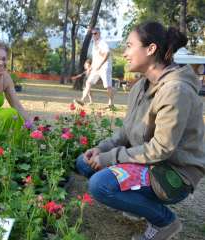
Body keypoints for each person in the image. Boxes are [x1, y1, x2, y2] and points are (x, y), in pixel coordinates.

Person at [75, 21, 205, 240]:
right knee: (83, 162)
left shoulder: (176, 90)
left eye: (129, 45)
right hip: (149, 161)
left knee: (100, 185)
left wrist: (110, 158)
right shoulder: (140, 86)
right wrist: (101, 149)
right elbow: (126, 132)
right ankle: (137, 203)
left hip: (173, 172)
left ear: (151, 49)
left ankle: (165, 222)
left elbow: (161, 149)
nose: (124, 53)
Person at [74, 27, 114, 108]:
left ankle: (111, 103)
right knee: (88, 82)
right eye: (92, 33)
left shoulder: (103, 43)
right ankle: (82, 100)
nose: (93, 35)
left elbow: (107, 54)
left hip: (105, 67)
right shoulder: (94, 44)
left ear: (99, 34)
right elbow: (95, 58)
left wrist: (100, 64)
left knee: (107, 86)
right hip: (96, 68)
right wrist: (91, 67)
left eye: (95, 33)